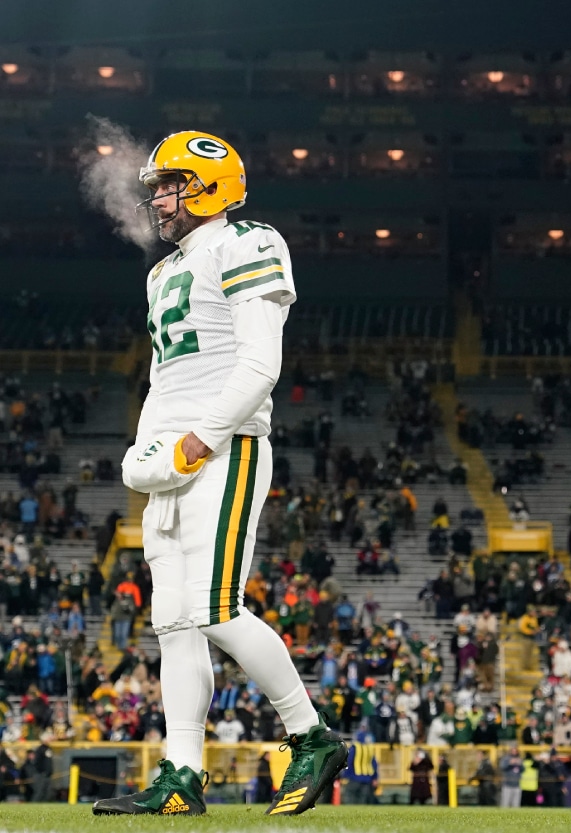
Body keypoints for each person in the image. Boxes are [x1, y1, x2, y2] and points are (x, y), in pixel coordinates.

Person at [93, 131, 345, 818]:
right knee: (173, 622)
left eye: (170, 184)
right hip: (177, 457)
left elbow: (260, 364)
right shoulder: (162, 270)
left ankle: (313, 734)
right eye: (155, 188)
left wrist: (197, 444)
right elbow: (167, 378)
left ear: (209, 183)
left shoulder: (248, 241)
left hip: (222, 448)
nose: (159, 199)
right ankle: (181, 774)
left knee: (213, 607)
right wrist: (149, 453)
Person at [340, 735, 378, 805]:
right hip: (367, 779)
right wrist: (375, 778)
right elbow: (374, 764)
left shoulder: (354, 748)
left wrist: (344, 775)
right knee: (363, 801)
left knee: (350, 798)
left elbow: (349, 761)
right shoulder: (369, 749)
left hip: (354, 778)